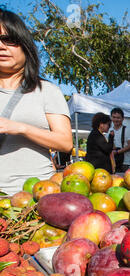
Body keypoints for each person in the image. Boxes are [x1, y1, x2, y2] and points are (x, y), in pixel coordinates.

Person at [0, 9, 72, 195]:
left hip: (36, 196)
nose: (2, 46)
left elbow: (65, 142)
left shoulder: (46, 91)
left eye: (9, 39)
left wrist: (21, 128)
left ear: (25, 45)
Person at [109, 107, 130, 173]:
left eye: (118, 118)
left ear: (123, 118)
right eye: (114, 117)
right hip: (113, 163)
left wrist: (117, 152)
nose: (116, 119)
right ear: (111, 117)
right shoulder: (109, 130)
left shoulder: (127, 130)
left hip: (125, 163)